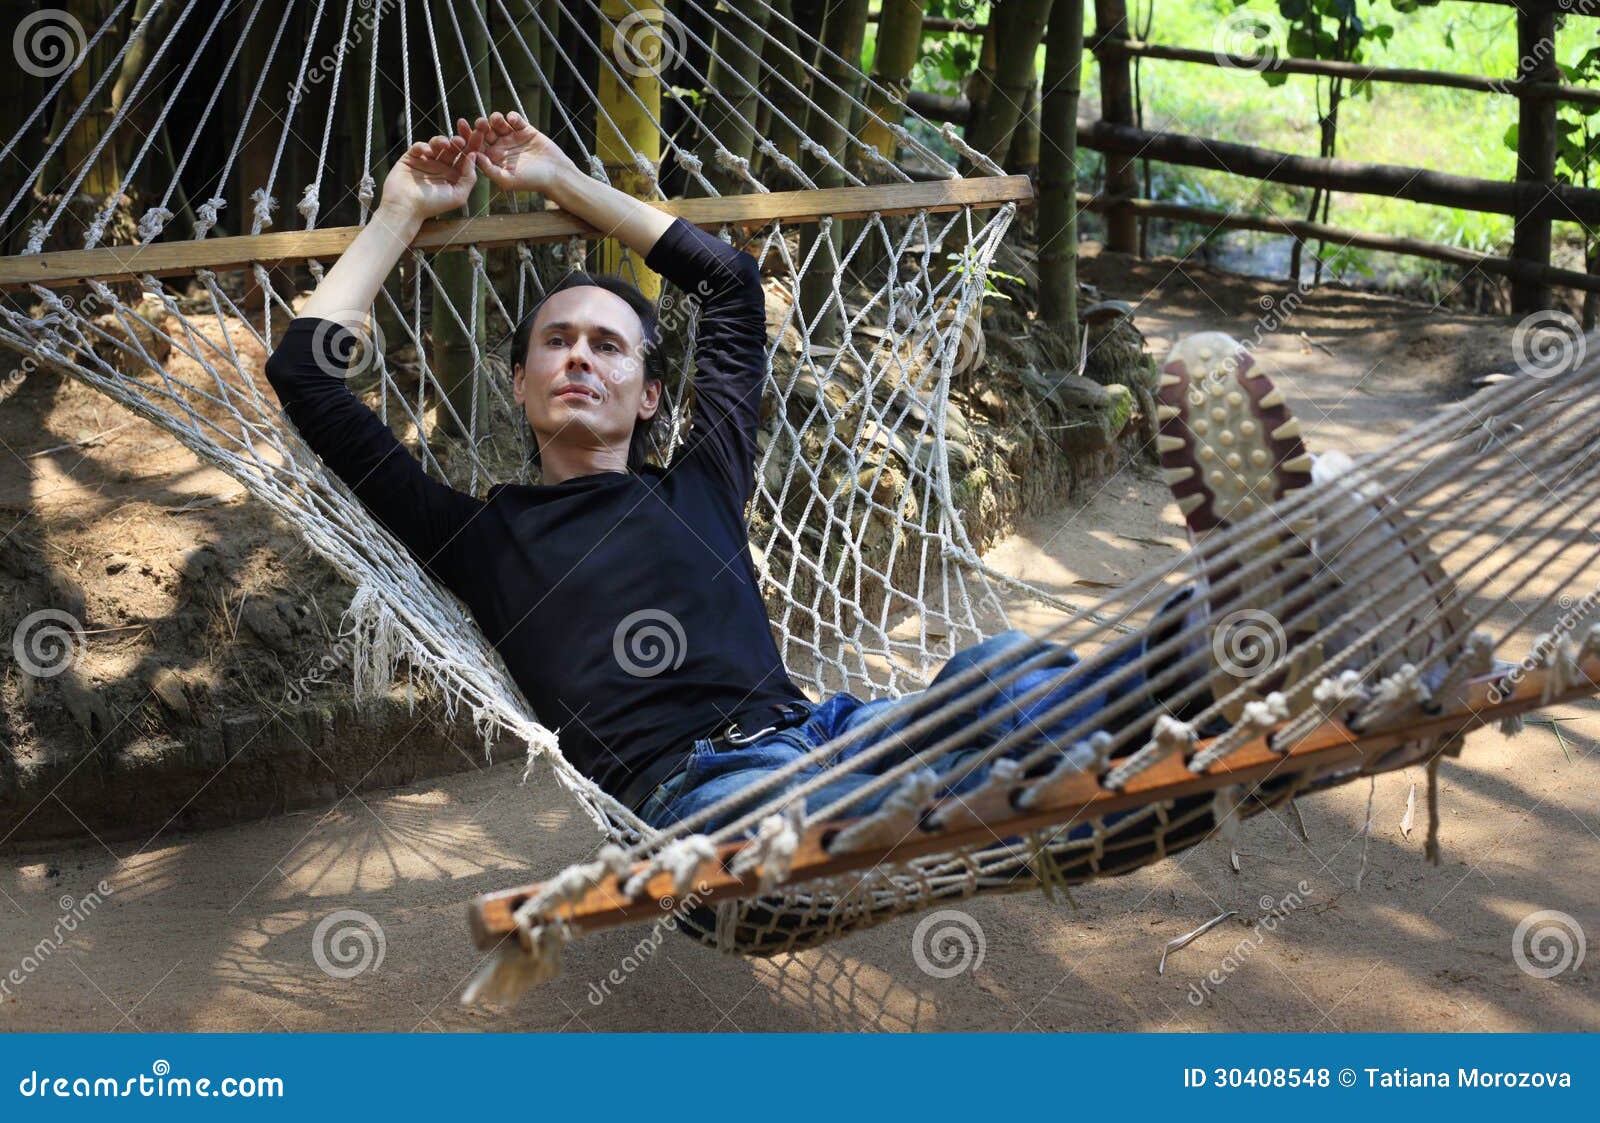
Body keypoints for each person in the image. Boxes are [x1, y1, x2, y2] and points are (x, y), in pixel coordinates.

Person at [266, 111, 1449, 852]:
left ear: (650, 395)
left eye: (609, 345)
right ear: (520, 385)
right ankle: (1207, 668)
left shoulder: (700, 481)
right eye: (555, 344)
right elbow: (308, 376)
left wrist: (570, 184)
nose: (580, 357)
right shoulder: (474, 534)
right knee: (873, 790)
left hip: (825, 731)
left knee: (997, 671)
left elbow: (728, 286)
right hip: (702, 798)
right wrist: (398, 212)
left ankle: (1252, 622)